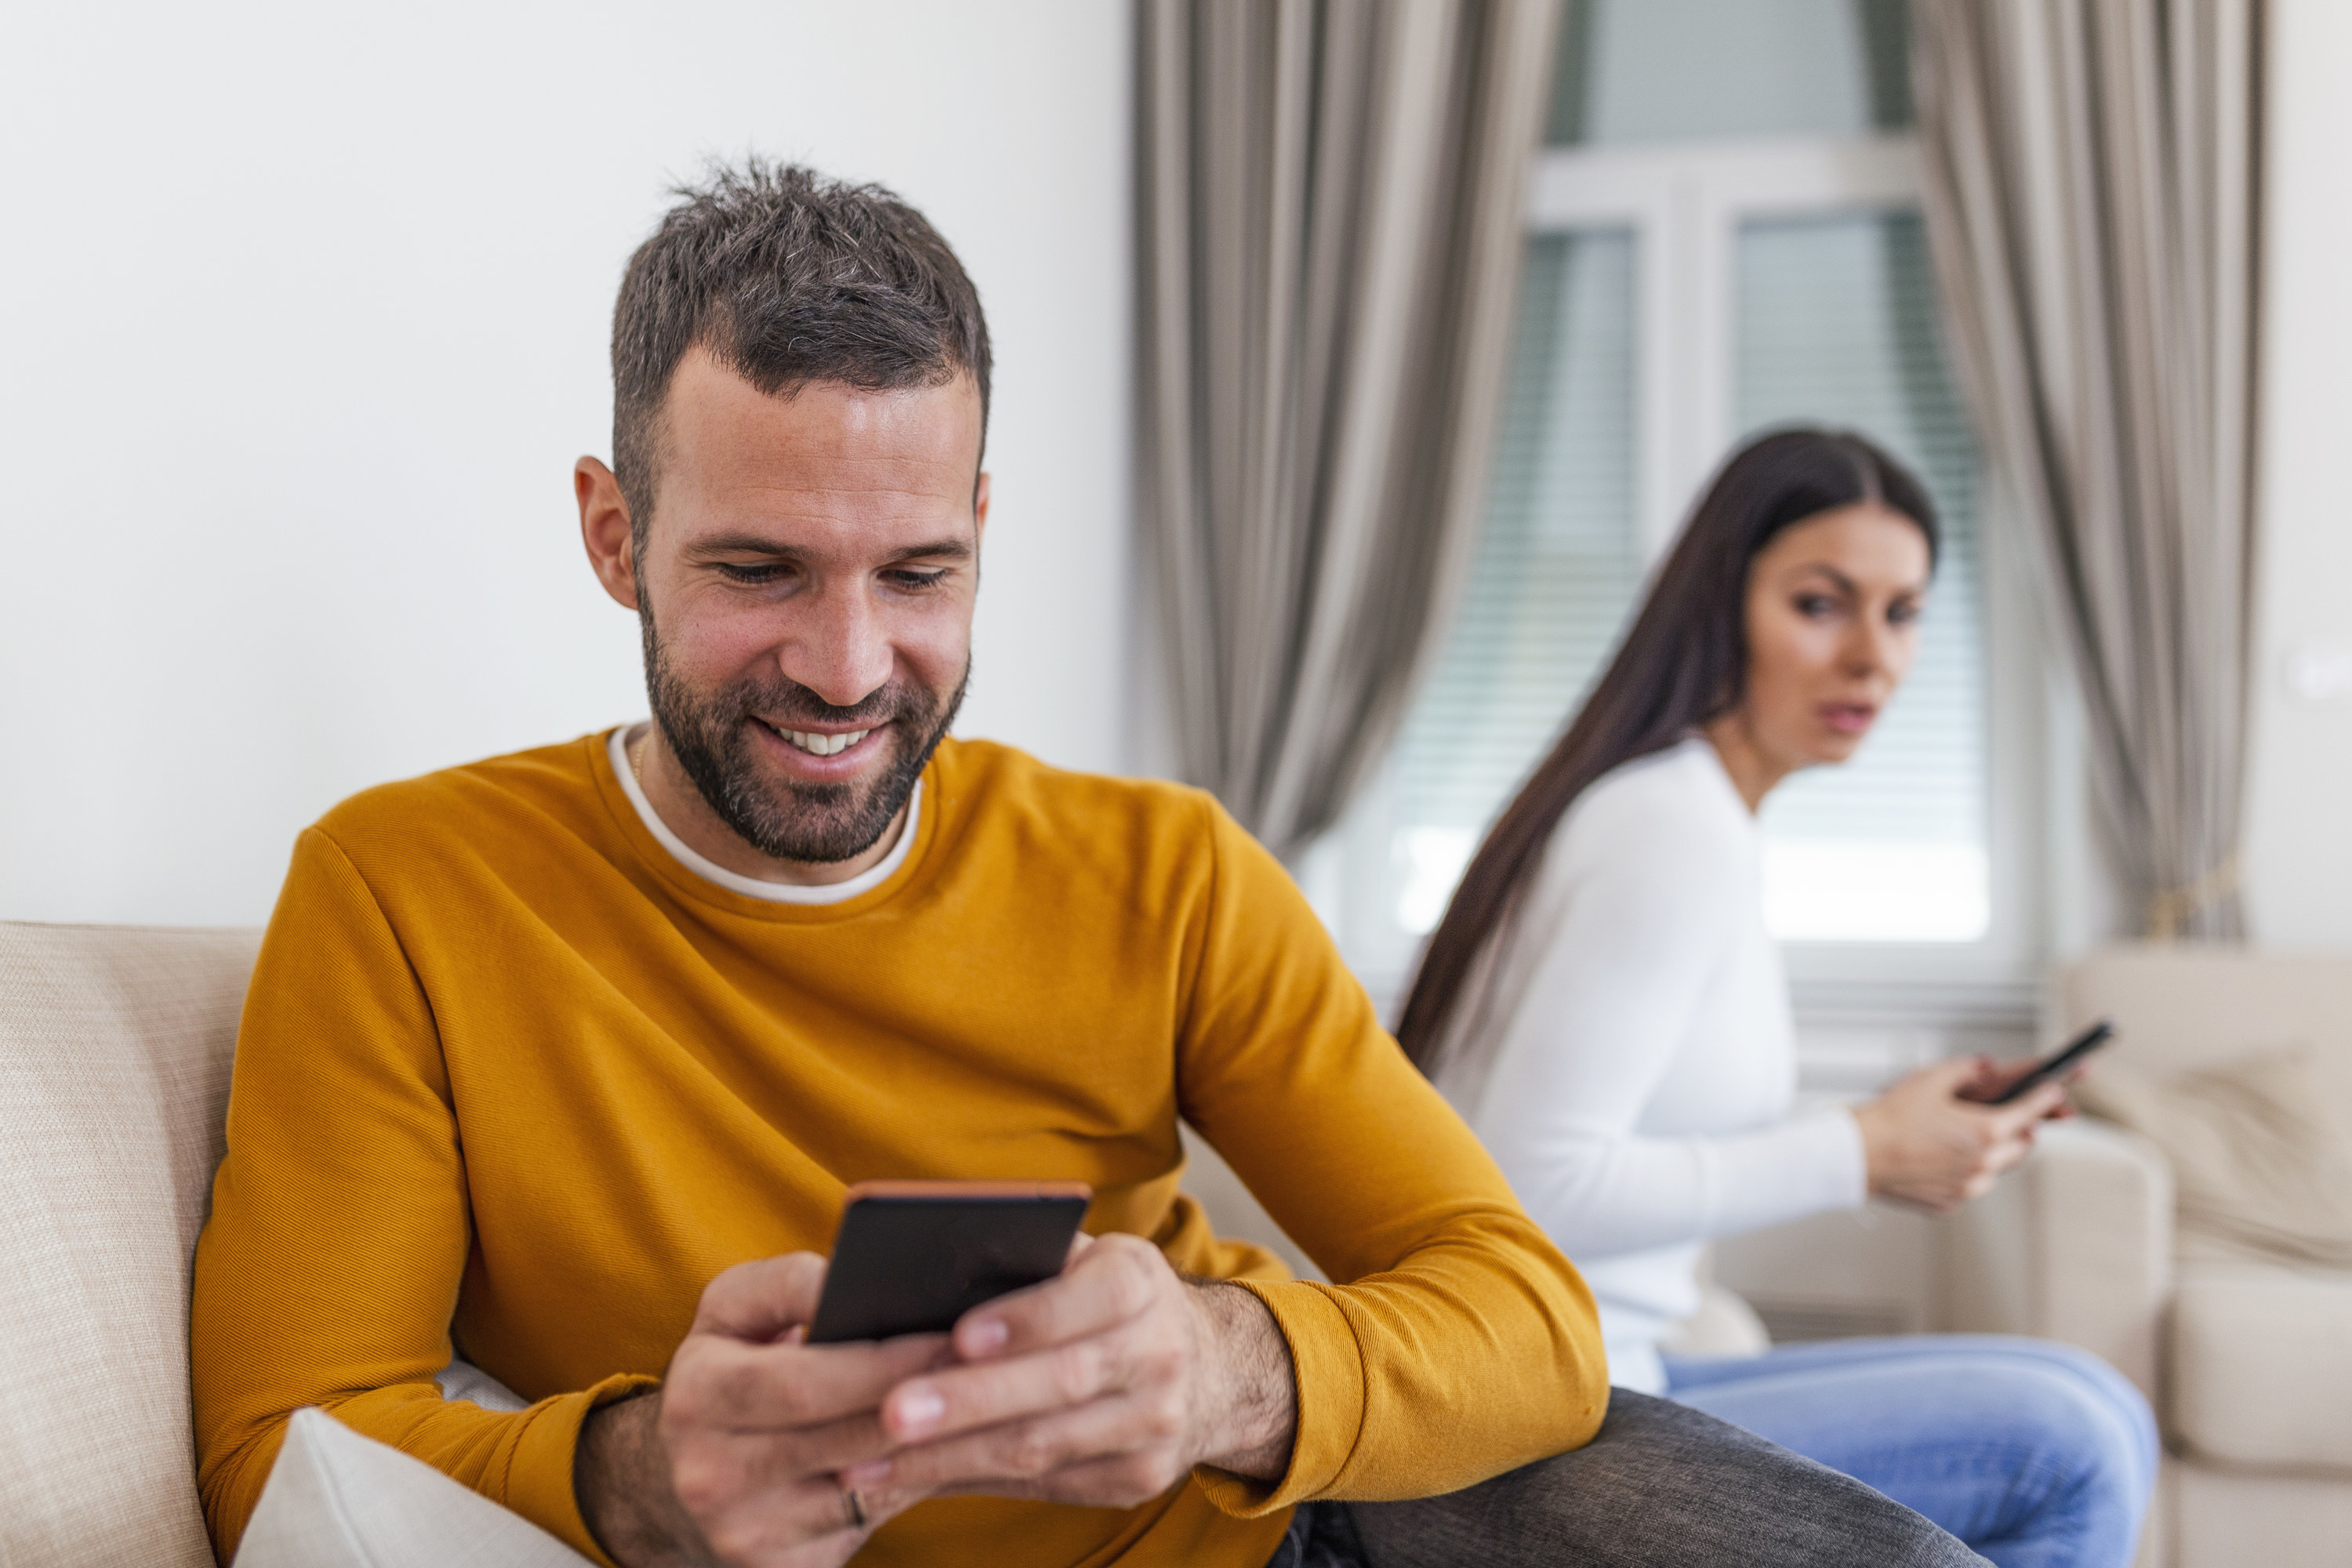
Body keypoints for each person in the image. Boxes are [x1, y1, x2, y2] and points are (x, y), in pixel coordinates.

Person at [188, 164, 1985, 1568]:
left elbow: (1526, 1312)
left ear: (983, 528)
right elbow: (287, 1449)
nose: (844, 665)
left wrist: (1226, 1367)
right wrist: (640, 1477)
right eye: (757, 572)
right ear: (613, 533)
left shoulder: (1168, 872)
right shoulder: (405, 890)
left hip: (1282, 1529)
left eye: (914, 574)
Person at [1397, 429, 2158, 1568]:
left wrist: (1898, 1124)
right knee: (2073, 1445)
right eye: (1822, 603)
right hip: (1540, 1406)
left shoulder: (1699, 815)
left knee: (2093, 1396)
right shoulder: (1668, 826)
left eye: (1902, 613)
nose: (1872, 656)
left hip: (1613, 1368)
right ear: (1720, 603)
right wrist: (1862, 1153)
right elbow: (1533, 1187)